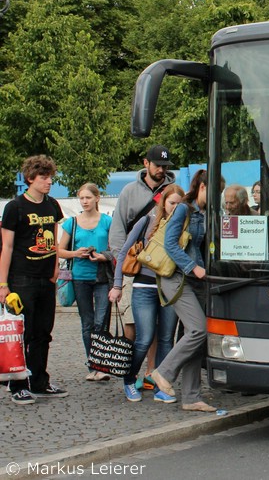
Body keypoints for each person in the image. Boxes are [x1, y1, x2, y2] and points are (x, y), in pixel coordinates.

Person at [0, 155, 68, 405]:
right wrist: (3, 284)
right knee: (21, 333)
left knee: (43, 332)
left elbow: (54, 239)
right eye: (44, 177)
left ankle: (40, 381)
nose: (49, 181)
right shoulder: (15, 207)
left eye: (50, 177)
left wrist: (54, 270)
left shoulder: (52, 205)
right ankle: (17, 383)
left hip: (45, 279)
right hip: (22, 278)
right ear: (30, 179)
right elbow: (6, 247)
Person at [109, 183, 183, 404]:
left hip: (170, 288)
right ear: (163, 202)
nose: (175, 208)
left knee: (166, 339)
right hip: (144, 286)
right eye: (172, 203)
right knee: (144, 338)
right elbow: (123, 252)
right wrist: (117, 284)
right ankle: (129, 379)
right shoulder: (147, 221)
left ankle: (162, 384)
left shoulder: (183, 226)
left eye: (179, 205)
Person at [108, 144, 177, 381]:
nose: (161, 170)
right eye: (158, 165)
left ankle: (151, 372)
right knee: (133, 324)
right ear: (146, 163)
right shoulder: (129, 191)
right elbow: (118, 229)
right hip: (133, 265)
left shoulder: (173, 190)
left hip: (164, 269)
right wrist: (122, 261)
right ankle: (130, 371)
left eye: (165, 166)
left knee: (160, 329)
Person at [149, 170, 216, 412]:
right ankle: (163, 373)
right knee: (199, 328)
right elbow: (169, 244)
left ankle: (191, 397)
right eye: (214, 190)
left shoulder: (206, 213)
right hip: (177, 277)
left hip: (196, 280)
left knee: (196, 337)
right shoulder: (183, 209)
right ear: (202, 188)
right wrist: (193, 267)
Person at [57, 183, 113, 381]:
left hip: (102, 276)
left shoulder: (107, 221)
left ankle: (102, 365)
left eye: (88, 197)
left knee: (101, 322)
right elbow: (59, 250)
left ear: (97, 198)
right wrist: (76, 253)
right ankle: (93, 365)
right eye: (82, 198)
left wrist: (102, 256)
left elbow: (116, 248)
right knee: (87, 323)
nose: (85, 201)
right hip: (80, 277)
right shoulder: (71, 223)